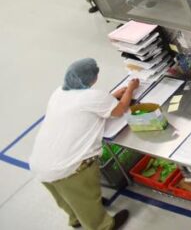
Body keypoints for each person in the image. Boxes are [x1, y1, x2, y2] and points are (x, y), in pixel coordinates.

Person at [30, 59, 137, 230]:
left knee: (64, 197)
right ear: (92, 79)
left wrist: (113, 95)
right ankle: (103, 226)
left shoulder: (59, 92)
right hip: (69, 166)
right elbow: (119, 110)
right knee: (86, 196)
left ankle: (75, 218)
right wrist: (130, 88)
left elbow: (88, 104)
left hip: (40, 163)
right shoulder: (93, 96)